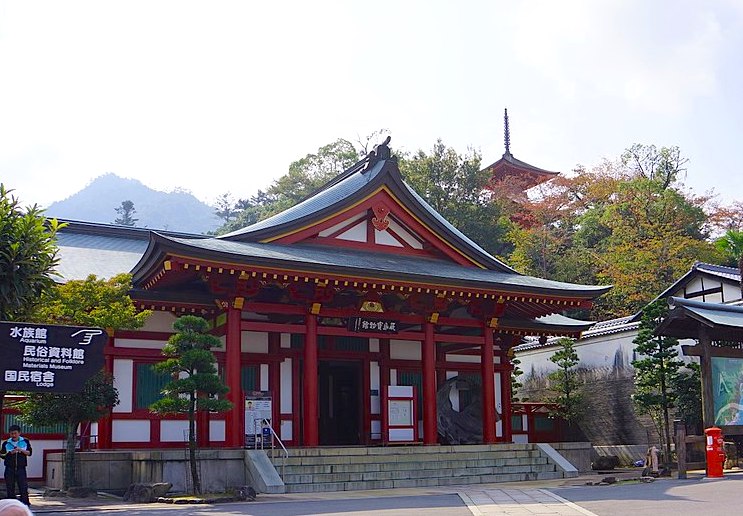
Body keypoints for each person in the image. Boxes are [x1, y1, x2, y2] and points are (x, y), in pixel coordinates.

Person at [1, 425, 32, 506]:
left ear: (19, 433)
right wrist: (10, 453)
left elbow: (29, 453)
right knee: (10, 487)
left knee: (23, 486)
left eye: (15, 433)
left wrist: (21, 450)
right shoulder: (6, 443)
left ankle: (25, 503)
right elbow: (2, 455)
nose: (13, 435)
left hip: (21, 468)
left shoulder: (25, 441)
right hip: (9, 468)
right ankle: (11, 504)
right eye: (11, 434)